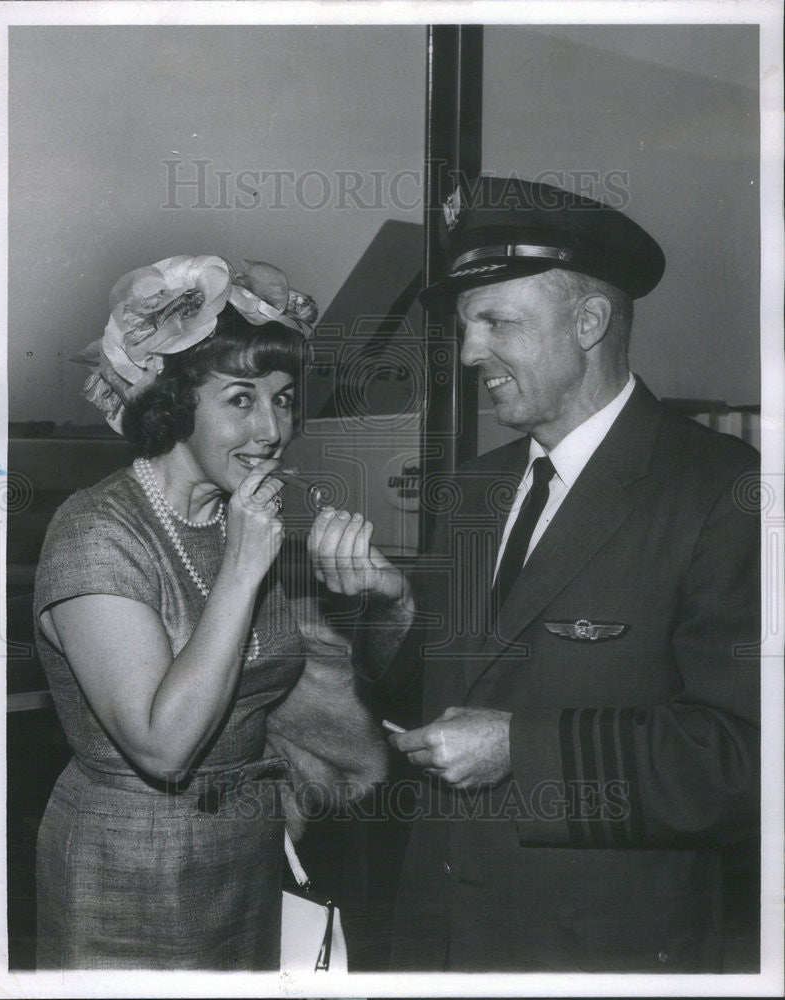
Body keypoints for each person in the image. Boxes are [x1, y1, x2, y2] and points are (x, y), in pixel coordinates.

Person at [308, 176, 760, 972]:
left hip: (598, 952)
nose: (470, 351)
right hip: (438, 937)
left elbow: (744, 758)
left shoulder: (721, 490)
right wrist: (390, 607)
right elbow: (437, 685)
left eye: (497, 322)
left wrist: (524, 748)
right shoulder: (478, 488)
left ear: (589, 322)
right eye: (466, 326)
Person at [34, 253, 364, 969]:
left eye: (283, 398)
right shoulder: (96, 530)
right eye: (241, 399)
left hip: (248, 860)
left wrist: (382, 597)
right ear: (174, 403)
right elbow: (163, 745)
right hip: (128, 871)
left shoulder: (244, 517)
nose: (273, 429)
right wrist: (245, 569)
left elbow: (321, 688)